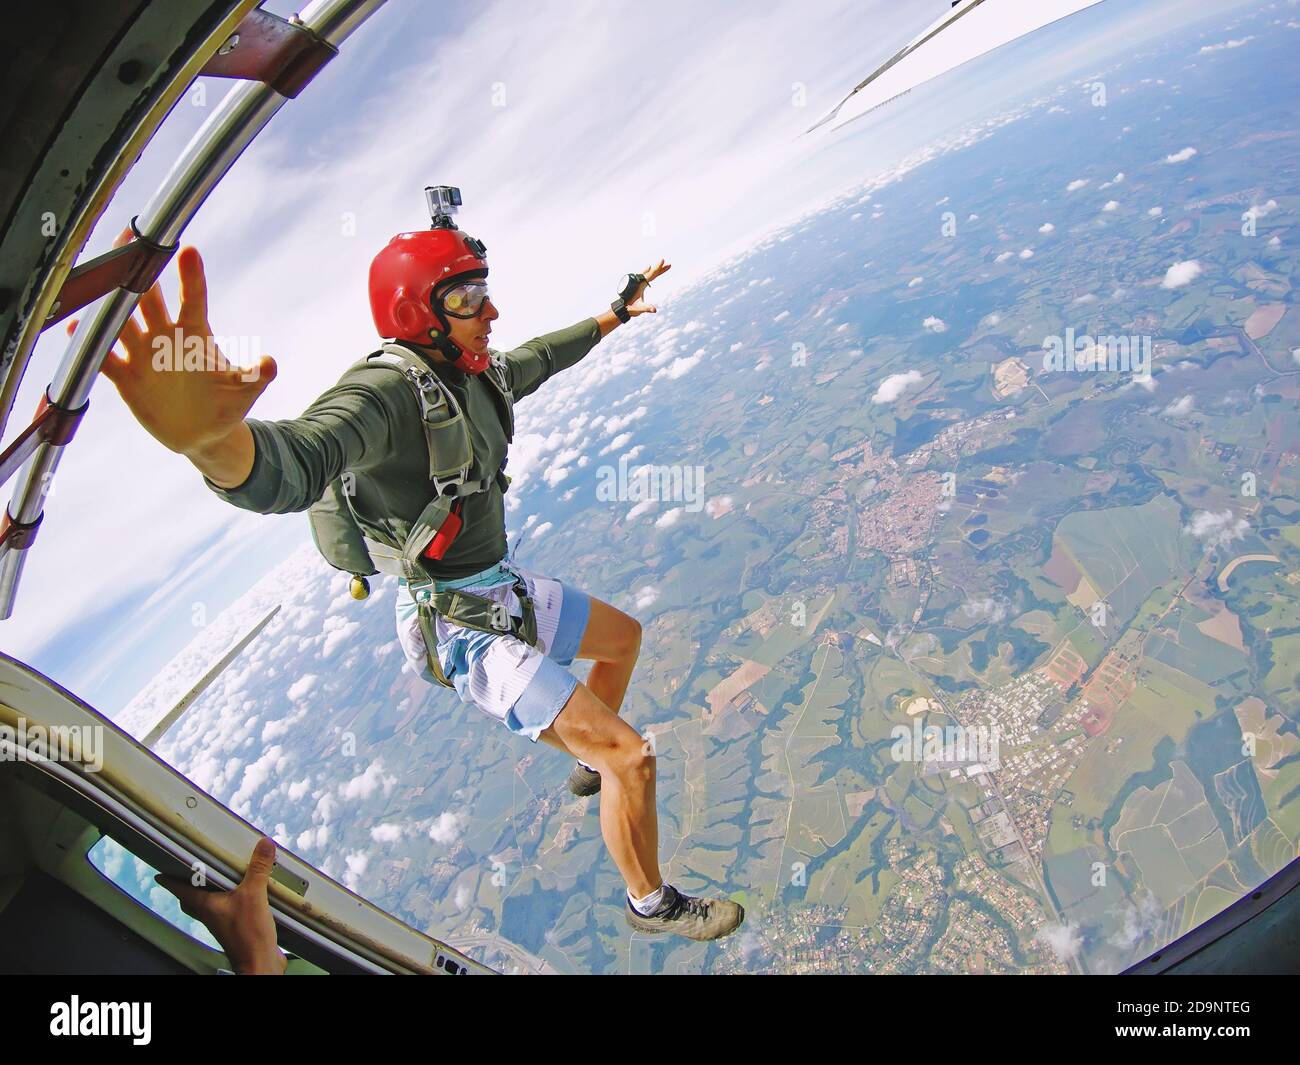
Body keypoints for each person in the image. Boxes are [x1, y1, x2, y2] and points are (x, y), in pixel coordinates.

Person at [98, 194, 744, 943]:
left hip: (498, 584)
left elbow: (538, 356)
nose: (490, 310)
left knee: (622, 639)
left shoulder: (473, 374)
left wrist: (614, 313)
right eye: (468, 297)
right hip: (455, 625)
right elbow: (298, 461)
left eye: (485, 289)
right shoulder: (386, 392)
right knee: (634, 755)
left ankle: (592, 767)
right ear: (418, 313)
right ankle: (650, 902)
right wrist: (212, 442)